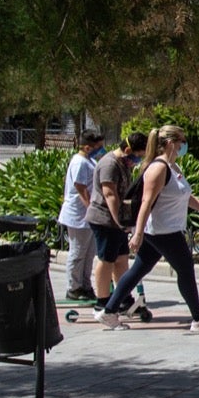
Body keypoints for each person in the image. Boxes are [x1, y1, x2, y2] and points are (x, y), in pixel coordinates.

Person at [102, 125, 199, 332]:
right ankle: (198, 318)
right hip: (163, 230)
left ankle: (109, 311)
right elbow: (146, 202)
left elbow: (185, 196)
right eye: (181, 142)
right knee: (185, 269)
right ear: (171, 143)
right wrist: (138, 233)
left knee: (138, 270)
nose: (183, 146)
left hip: (163, 230)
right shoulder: (158, 168)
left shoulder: (172, 168)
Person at [86, 131, 146, 311]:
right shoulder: (109, 164)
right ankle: (102, 300)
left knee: (121, 259)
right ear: (128, 149)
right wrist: (119, 220)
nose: (137, 160)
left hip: (118, 223)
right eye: (137, 156)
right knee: (106, 260)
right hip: (105, 220)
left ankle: (123, 296)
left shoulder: (123, 163)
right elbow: (109, 194)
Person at [57, 131, 101, 302]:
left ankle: (85, 284)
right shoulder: (79, 162)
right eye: (97, 147)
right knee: (78, 252)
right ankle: (74, 287)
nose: (100, 150)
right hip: (78, 214)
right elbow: (81, 187)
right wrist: (90, 208)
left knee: (89, 253)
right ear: (87, 146)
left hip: (86, 216)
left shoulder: (89, 160)